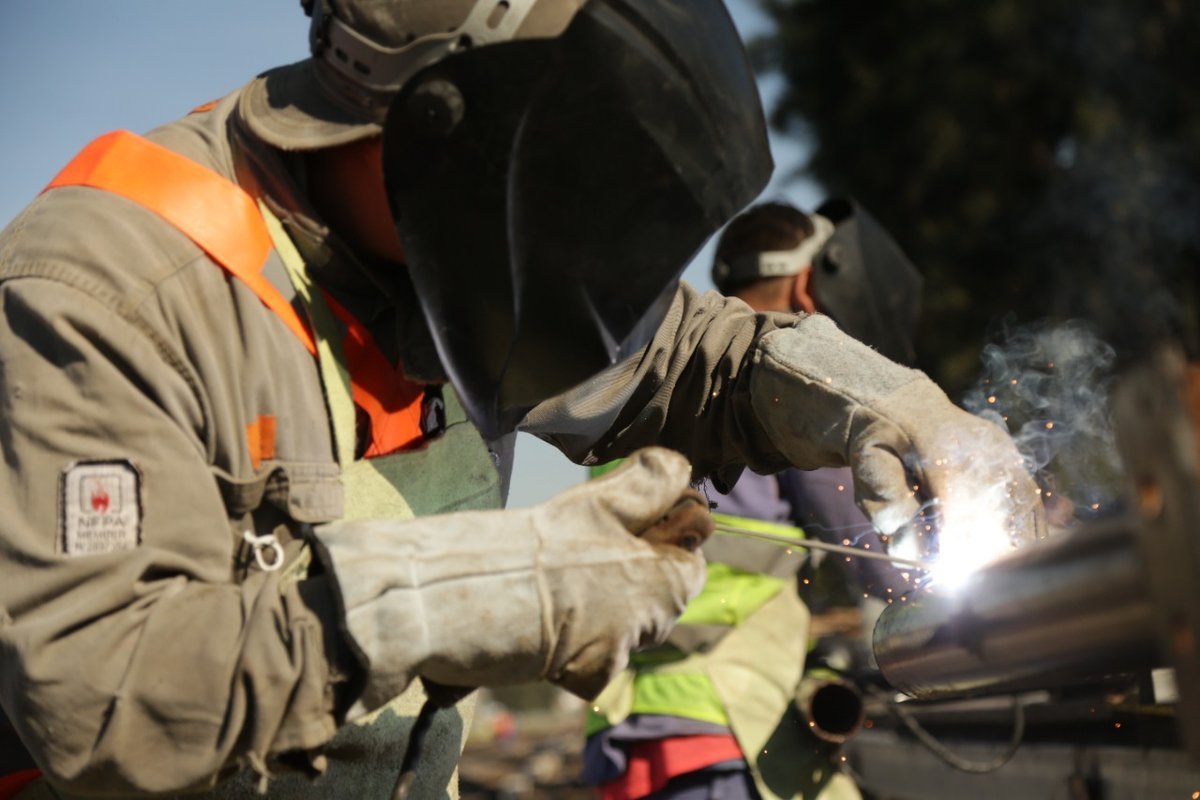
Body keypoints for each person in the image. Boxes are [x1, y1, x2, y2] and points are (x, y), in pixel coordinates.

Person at [0, 2, 1044, 798]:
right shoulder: (111, 287)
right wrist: (481, 587)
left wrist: (883, 401)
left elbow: (689, 351)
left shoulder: (471, 264)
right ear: (448, 130)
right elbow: (95, 688)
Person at [582, 200, 920, 800]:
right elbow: (879, 560)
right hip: (733, 724)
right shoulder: (792, 396)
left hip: (627, 732)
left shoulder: (643, 392)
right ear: (807, 284)